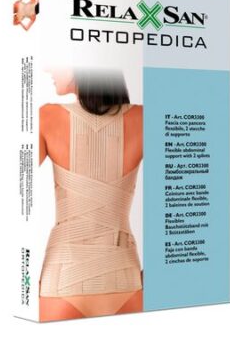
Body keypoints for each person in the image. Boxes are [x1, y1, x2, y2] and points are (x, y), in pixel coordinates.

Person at [39, 68, 143, 321]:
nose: (48, 68)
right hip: (125, 280)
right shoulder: (144, 119)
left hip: (63, 281)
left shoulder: (47, 117)